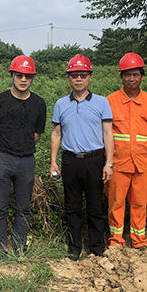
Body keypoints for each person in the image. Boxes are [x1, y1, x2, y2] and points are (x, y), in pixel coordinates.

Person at [50, 54, 114, 260]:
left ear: (89, 77)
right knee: (72, 206)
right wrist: (53, 162)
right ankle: (74, 247)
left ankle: (97, 247)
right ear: (69, 78)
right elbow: (56, 134)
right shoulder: (60, 104)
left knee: (95, 206)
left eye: (83, 75)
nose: (78, 79)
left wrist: (109, 163)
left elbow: (108, 134)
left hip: (94, 160)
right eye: (74, 75)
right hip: (70, 160)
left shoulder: (101, 102)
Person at [0, 55, 46, 257]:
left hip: (26, 160)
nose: (23, 79)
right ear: (12, 75)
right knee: (0, 207)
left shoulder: (39, 103)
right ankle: (2, 251)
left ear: (32, 78)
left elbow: (37, 134)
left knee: (23, 208)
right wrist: (2, 149)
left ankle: (19, 248)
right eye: (19, 75)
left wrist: (21, 146)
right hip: (2, 158)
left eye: (27, 76)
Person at [106, 53, 147, 249]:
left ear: (142, 76)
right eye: (127, 75)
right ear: (121, 77)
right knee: (116, 203)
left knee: (140, 203)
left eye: (135, 74)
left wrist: (144, 152)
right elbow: (105, 134)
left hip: (143, 163)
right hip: (118, 163)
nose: (131, 79)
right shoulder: (110, 101)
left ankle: (139, 240)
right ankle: (116, 240)